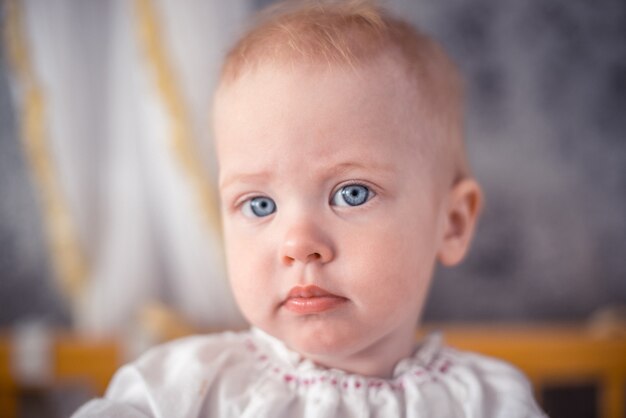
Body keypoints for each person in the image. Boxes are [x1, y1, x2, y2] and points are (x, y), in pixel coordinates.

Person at [73, 1, 546, 416]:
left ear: (453, 223)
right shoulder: (180, 388)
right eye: (259, 204)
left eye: (351, 194)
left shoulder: (486, 402)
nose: (299, 244)